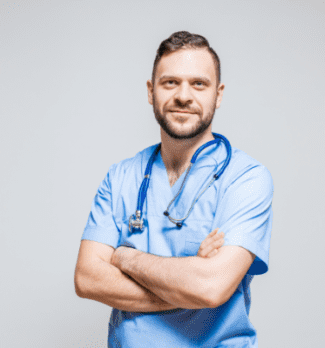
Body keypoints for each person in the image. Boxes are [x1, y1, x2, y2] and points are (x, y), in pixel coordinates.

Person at [73, 31, 273, 347]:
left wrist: (125, 258)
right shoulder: (121, 177)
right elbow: (87, 278)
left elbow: (210, 287)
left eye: (198, 84)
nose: (183, 96)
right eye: (170, 83)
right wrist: (186, 284)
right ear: (151, 92)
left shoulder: (245, 178)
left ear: (218, 95)